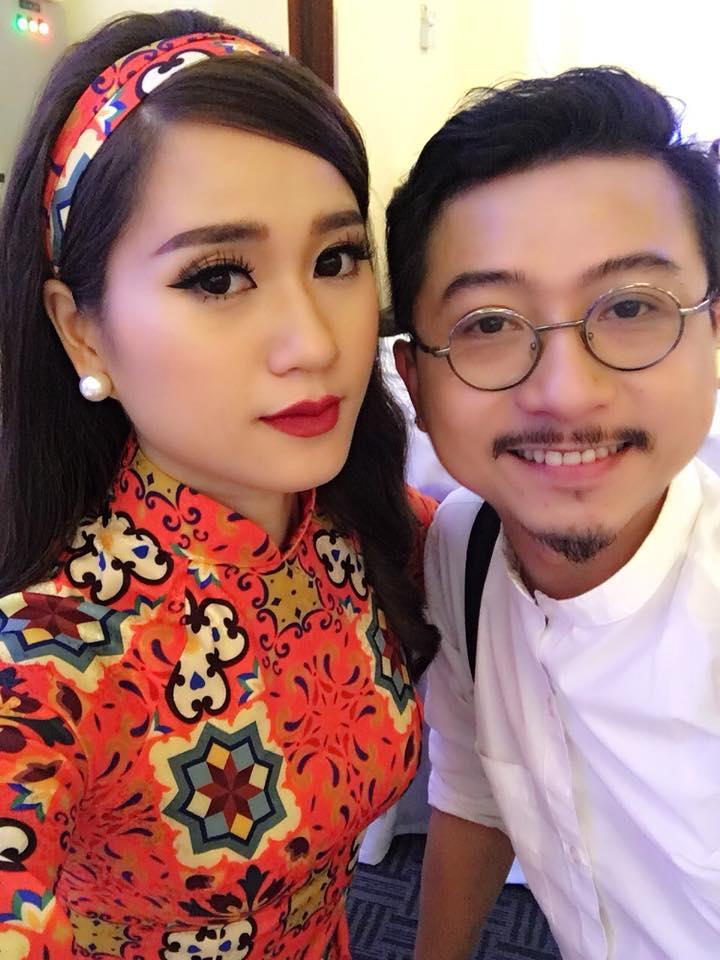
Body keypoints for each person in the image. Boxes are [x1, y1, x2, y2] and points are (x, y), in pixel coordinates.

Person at [0, 10, 439, 958]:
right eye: (217, 277)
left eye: (336, 259)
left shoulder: (365, 521)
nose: (314, 342)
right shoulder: (49, 650)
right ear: (82, 331)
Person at [387, 68, 720, 960]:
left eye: (632, 308)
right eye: (489, 324)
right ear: (416, 383)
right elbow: (476, 787)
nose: (567, 393)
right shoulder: (462, 548)